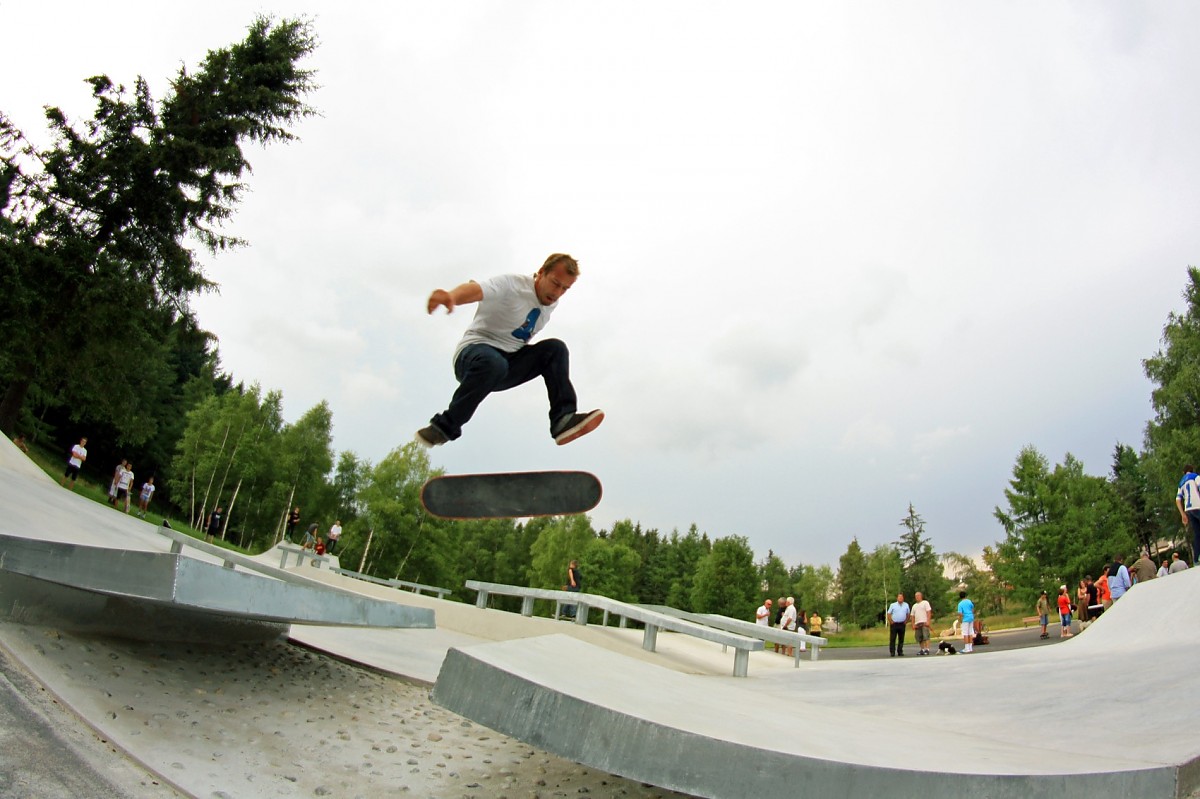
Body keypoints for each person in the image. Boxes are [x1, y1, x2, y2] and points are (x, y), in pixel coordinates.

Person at [416, 253, 603, 448]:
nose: (557, 293)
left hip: (509, 364)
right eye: (555, 283)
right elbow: (477, 290)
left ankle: (563, 420)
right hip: (474, 354)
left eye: (565, 288)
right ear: (541, 273)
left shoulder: (551, 301)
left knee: (555, 349)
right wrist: (451, 296)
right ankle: (443, 428)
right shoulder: (512, 285)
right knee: (494, 363)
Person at [1177, 465, 1200, 566]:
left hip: (1189, 509)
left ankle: (1196, 559)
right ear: (1192, 470)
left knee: (1197, 533)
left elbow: (1178, 500)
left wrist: (1182, 514)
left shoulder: (1181, 482)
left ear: (1184, 472)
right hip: (1198, 505)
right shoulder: (1195, 476)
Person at [911, 591, 933, 655]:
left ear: (921, 596)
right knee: (919, 637)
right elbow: (912, 616)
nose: (917, 597)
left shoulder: (925, 603)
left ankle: (927, 649)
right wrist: (913, 624)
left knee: (926, 636)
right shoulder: (914, 606)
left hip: (924, 622)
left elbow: (928, 612)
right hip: (917, 623)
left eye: (918, 596)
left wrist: (928, 621)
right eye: (916, 596)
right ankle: (922, 649)